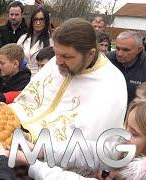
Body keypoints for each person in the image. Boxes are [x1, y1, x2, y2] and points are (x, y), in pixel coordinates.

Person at [9, 18, 127, 144]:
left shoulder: (112, 85)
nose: (57, 62)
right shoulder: (59, 59)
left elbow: (87, 142)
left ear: (90, 54)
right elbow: (28, 102)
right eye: (56, 54)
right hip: (18, 131)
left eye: (66, 57)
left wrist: (33, 141)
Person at [11, 100, 146, 180]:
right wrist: (40, 150)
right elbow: (86, 151)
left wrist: (32, 163)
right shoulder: (125, 149)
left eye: (133, 133)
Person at [107, 31, 146, 104]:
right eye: (117, 48)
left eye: (126, 50)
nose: (119, 54)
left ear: (139, 50)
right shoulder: (107, 60)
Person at [17, 7, 52, 76]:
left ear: (46, 21)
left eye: (41, 19)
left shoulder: (51, 41)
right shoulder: (23, 38)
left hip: (40, 77)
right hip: (21, 76)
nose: (38, 22)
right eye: (35, 19)